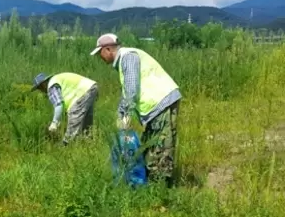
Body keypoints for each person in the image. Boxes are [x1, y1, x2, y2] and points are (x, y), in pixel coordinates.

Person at [90, 33, 182, 187]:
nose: (100, 57)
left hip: (162, 102)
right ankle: (151, 184)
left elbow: (131, 90)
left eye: (100, 53)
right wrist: (121, 114)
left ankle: (162, 189)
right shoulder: (123, 61)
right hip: (155, 107)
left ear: (107, 49)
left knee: (161, 147)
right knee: (148, 146)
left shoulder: (128, 57)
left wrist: (125, 116)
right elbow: (127, 92)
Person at [31, 72, 98, 145]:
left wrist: (54, 123)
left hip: (82, 92)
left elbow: (58, 104)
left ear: (43, 84)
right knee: (85, 121)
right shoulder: (57, 79)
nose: (41, 91)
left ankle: (66, 145)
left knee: (74, 117)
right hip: (91, 87)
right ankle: (87, 143)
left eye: (39, 88)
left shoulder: (52, 85)